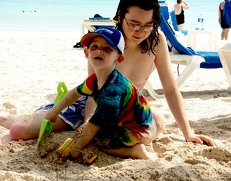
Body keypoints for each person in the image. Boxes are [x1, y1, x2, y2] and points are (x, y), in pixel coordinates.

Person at [0, 0, 216, 147]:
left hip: (127, 106)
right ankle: (23, 116)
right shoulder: (105, 42)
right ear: (120, 16)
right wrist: (90, 122)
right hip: (93, 101)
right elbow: (94, 91)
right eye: (134, 24)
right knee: (20, 131)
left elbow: (170, 89)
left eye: (148, 25)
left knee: (157, 122)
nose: (140, 31)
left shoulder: (156, 41)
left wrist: (188, 133)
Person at [46, 27, 157, 160]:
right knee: (89, 130)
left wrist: (77, 149)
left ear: (119, 58)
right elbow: (74, 93)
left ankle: (134, 151)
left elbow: (93, 126)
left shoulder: (114, 90)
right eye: (94, 47)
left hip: (136, 132)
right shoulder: (95, 79)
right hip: (141, 126)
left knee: (97, 141)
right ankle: (143, 145)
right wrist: (54, 112)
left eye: (107, 49)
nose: (99, 51)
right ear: (86, 53)